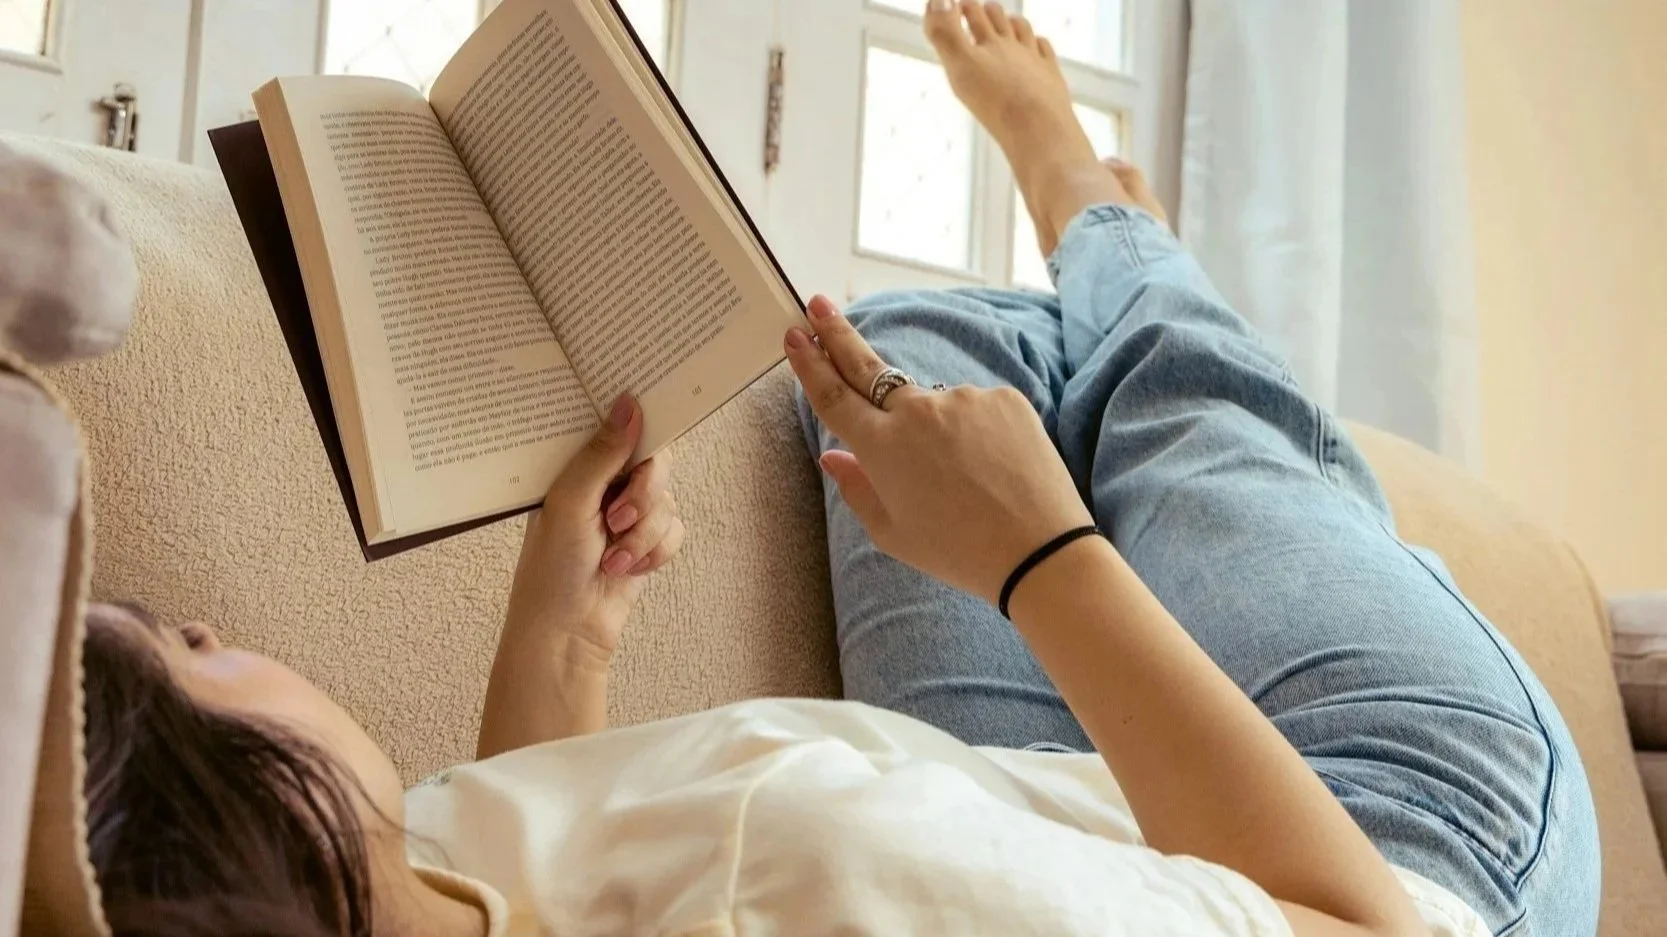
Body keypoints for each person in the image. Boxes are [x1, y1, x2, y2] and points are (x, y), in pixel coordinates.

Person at [77, 2, 1598, 935]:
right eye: (198, 650)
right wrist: (1040, 559)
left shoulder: (398, 879)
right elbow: (1356, 924)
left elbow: (520, 841)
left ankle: (1093, 271)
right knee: (1188, 417)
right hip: (1402, 840)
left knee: (900, 337)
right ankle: (1094, 205)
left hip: (1021, 817)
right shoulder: (800, 890)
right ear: (250, 833)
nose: (236, 635)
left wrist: (568, 622)